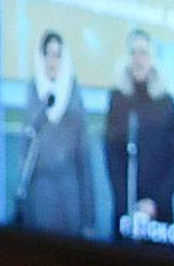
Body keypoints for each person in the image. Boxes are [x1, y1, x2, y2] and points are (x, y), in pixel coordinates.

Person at [10, 29, 106, 237]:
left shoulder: (74, 96)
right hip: (39, 196)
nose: (52, 61)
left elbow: (84, 160)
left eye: (57, 55)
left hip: (69, 196)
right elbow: (25, 152)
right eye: (48, 55)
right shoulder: (34, 92)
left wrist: (88, 219)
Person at [100, 26, 174, 244]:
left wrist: (155, 202)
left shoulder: (165, 103)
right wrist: (128, 202)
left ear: (152, 59)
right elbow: (112, 157)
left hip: (160, 210)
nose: (138, 59)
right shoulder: (118, 100)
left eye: (144, 53)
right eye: (133, 53)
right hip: (126, 209)